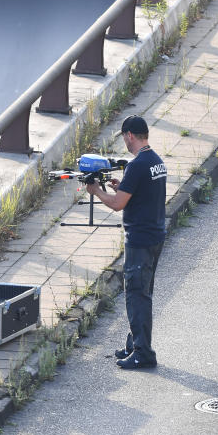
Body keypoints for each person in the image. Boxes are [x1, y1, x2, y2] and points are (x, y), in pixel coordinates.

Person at [86, 115, 167, 369]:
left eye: (124, 137)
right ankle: (134, 344)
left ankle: (143, 353)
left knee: (136, 294)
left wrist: (96, 191)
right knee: (143, 292)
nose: (124, 142)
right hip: (154, 236)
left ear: (129, 135)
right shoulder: (156, 162)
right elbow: (140, 193)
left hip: (140, 240)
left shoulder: (137, 165)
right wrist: (123, 185)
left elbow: (118, 204)